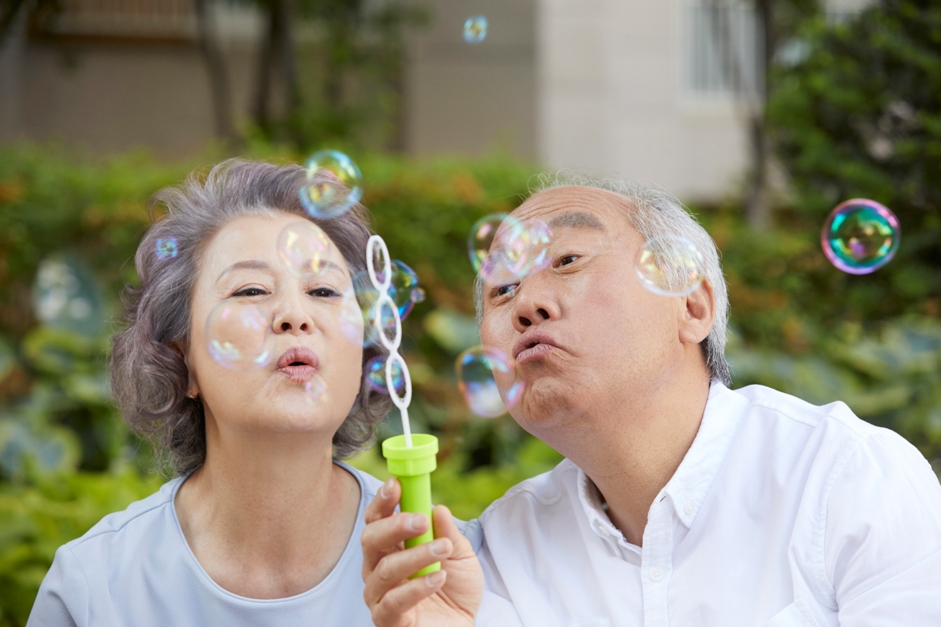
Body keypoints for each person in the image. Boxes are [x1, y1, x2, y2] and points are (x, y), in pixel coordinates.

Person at [360, 175, 941, 626]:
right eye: (502, 289)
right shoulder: (505, 552)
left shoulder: (848, 480)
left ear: (691, 305)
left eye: (566, 260)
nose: (526, 303)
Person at [28, 159, 391, 626]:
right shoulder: (96, 589)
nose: (294, 315)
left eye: (323, 291)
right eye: (251, 290)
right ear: (183, 358)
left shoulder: (438, 562)